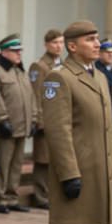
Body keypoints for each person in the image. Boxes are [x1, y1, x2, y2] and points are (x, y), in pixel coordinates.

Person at [41, 20, 112, 224]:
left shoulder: (98, 76)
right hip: (76, 167)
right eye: (90, 39)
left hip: (100, 167)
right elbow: (58, 131)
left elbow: (108, 129)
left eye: (97, 39)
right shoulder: (59, 77)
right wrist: (69, 173)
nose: (97, 44)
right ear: (72, 46)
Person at [0, 33, 35, 214]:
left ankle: (12, 197)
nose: (19, 54)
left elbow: (31, 97)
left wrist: (34, 119)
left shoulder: (20, 71)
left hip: (22, 126)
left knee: (16, 165)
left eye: (20, 51)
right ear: (4, 52)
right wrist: (2, 119)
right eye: (15, 51)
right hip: (6, 127)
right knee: (3, 164)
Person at [28, 28, 63, 209]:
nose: (59, 46)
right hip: (46, 122)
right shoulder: (39, 66)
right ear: (46, 45)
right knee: (43, 161)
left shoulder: (62, 65)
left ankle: (52, 194)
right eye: (55, 43)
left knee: (57, 159)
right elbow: (36, 95)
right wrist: (40, 122)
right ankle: (41, 196)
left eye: (61, 43)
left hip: (61, 122)